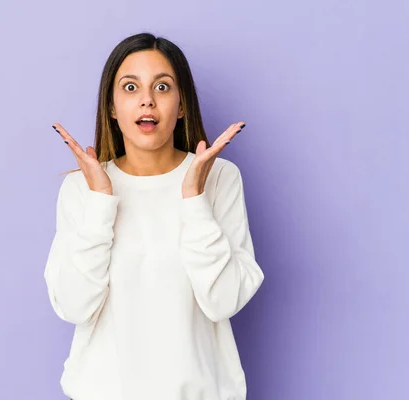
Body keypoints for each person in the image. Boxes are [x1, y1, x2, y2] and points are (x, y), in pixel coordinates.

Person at [44, 32, 264, 400]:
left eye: (162, 87)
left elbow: (224, 301)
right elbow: (73, 305)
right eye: (130, 87)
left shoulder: (220, 177)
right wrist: (101, 202)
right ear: (112, 106)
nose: (147, 100)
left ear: (181, 105)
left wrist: (194, 199)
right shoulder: (82, 189)